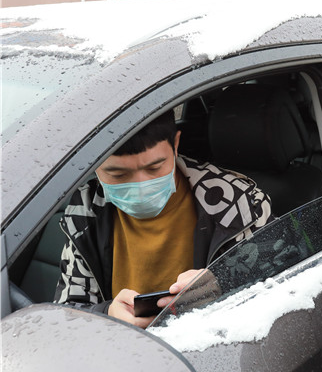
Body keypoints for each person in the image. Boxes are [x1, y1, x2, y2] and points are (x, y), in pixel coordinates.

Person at [53, 111, 272, 328]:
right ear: (92, 163)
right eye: (118, 175)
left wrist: (221, 283)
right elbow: (67, 314)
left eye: (154, 168)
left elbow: (278, 288)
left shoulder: (240, 205)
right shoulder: (85, 212)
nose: (140, 187)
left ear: (175, 144)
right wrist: (107, 314)